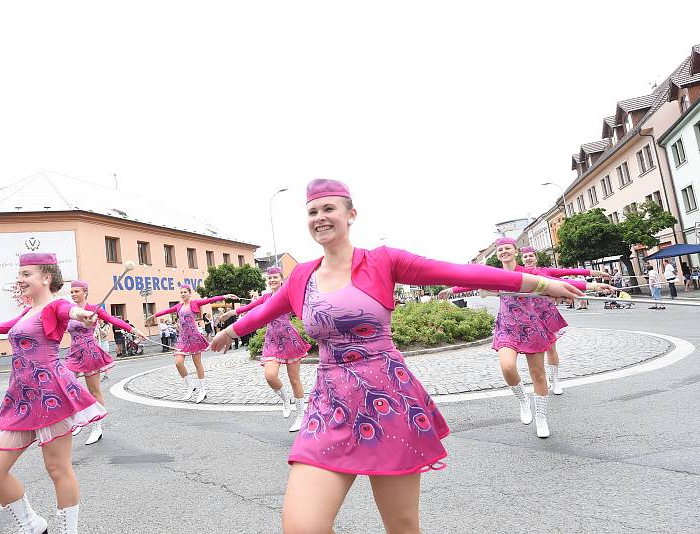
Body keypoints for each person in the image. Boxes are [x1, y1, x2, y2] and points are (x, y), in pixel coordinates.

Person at [209, 179, 582, 534]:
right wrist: (228, 331)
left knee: (402, 528)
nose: (320, 217)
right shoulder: (301, 277)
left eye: (329, 208)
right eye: (312, 212)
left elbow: (458, 271)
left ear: (351, 214)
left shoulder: (383, 261)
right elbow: (265, 310)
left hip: (387, 399)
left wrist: (542, 284)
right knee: (302, 526)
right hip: (328, 404)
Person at [0, 253, 104, 534]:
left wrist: (80, 314)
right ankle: (32, 524)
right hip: (20, 398)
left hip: (50, 394)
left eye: (26, 274)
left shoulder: (57, 305)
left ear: (46, 278)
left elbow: (69, 311)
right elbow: (4, 327)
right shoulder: (28, 311)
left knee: (57, 468)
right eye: (19, 274)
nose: (19, 280)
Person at [440, 239, 608, 438]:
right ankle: (523, 401)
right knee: (507, 367)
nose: (504, 252)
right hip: (507, 326)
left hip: (531, 325)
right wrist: (451, 290)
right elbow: (473, 282)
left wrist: (594, 284)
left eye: (507, 249)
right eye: (500, 250)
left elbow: (561, 281)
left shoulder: (530, 273)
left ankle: (541, 418)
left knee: (538, 374)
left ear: (515, 252)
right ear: (498, 254)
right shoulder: (496, 274)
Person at [218, 266, 311, 432]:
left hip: (289, 338)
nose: (272, 280)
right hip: (272, 340)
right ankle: (285, 399)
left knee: (294, 379)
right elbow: (249, 308)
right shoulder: (266, 297)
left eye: (275, 277)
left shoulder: (287, 294)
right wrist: (231, 313)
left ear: (282, 279)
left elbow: (303, 304)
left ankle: (300, 415)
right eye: (269, 278)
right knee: (270, 375)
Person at [517, 246, 611, 395]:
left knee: (551, 349)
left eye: (531, 256)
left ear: (536, 258)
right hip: (529, 315)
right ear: (521, 259)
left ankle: (555, 381)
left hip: (546, 312)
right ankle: (543, 380)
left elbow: (570, 272)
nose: (528, 258)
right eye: (525, 256)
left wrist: (596, 273)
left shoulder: (545, 271)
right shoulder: (519, 272)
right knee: (536, 352)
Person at [66, 280, 145, 445]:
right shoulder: (69, 310)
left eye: (76, 291)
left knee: (94, 391)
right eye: (72, 291)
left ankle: (97, 427)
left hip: (89, 352)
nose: (73, 294)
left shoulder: (94, 308)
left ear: (85, 292)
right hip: (73, 353)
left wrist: (134, 330)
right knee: (67, 385)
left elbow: (113, 320)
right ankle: (78, 417)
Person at [154, 287, 238, 403]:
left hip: (194, 337)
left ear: (190, 294)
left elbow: (209, 300)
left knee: (197, 363)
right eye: (181, 293)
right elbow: (166, 311)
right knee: (178, 362)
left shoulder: (195, 303)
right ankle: (190, 385)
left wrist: (225, 296)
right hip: (183, 338)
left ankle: (202, 390)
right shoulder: (179, 306)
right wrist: (154, 316)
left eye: (185, 292)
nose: (183, 294)